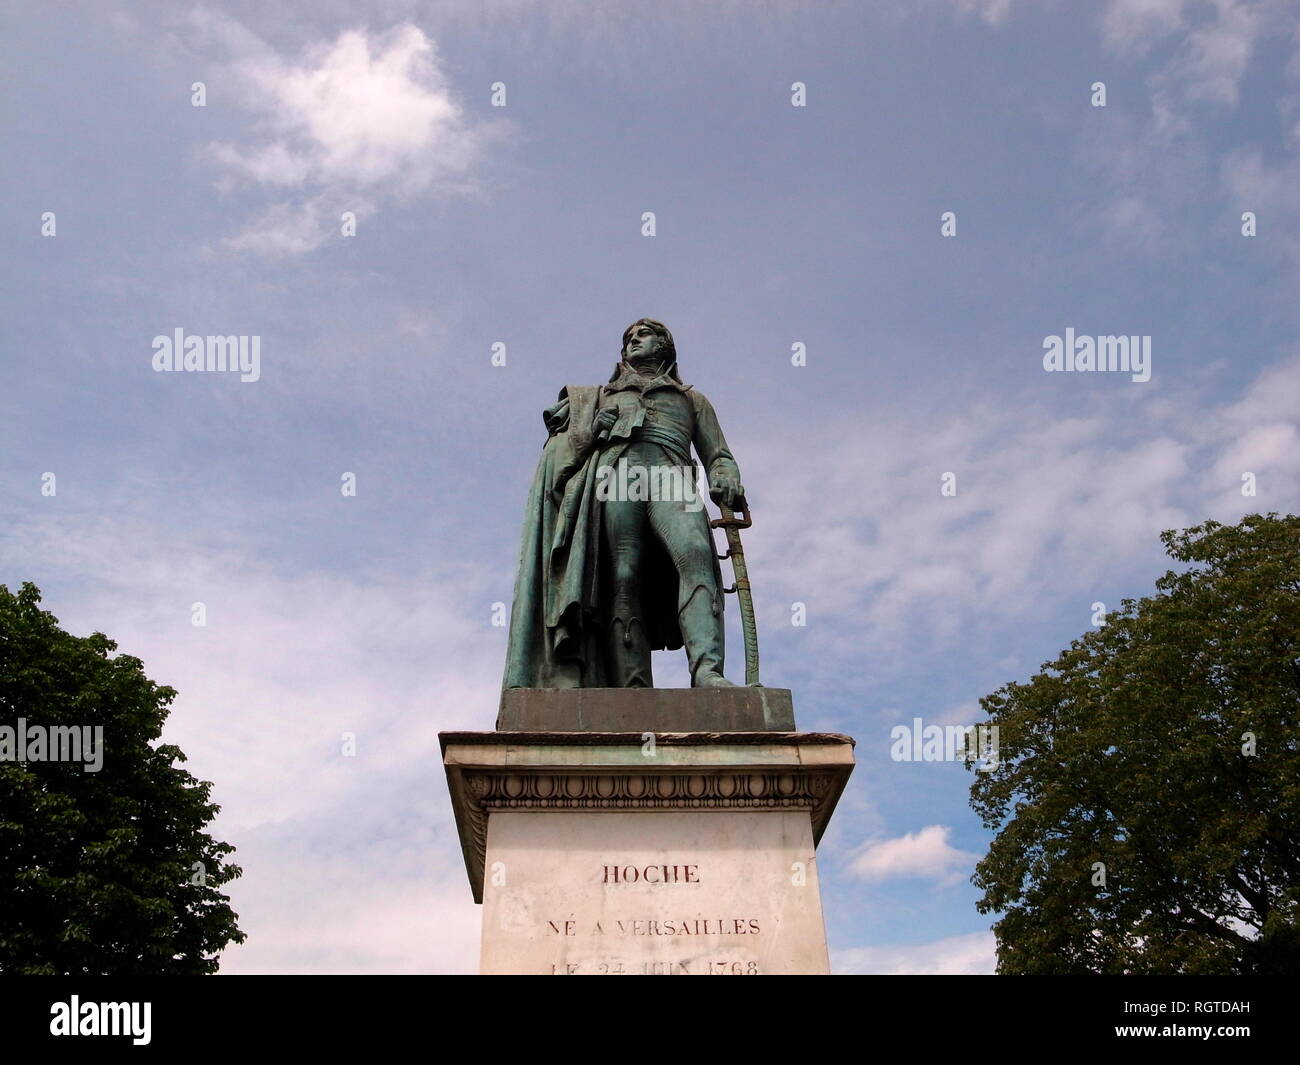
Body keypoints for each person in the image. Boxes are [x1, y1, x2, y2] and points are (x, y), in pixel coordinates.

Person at [503, 319, 746, 689]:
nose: (633, 341)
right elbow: (564, 450)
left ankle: (708, 672)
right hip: (617, 476)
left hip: (670, 477)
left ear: (665, 345)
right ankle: (632, 686)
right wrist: (590, 431)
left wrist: (725, 474)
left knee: (696, 554)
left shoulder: (691, 400)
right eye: (628, 338)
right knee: (622, 575)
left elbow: (718, 455)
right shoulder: (600, 396)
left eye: (643, 335)